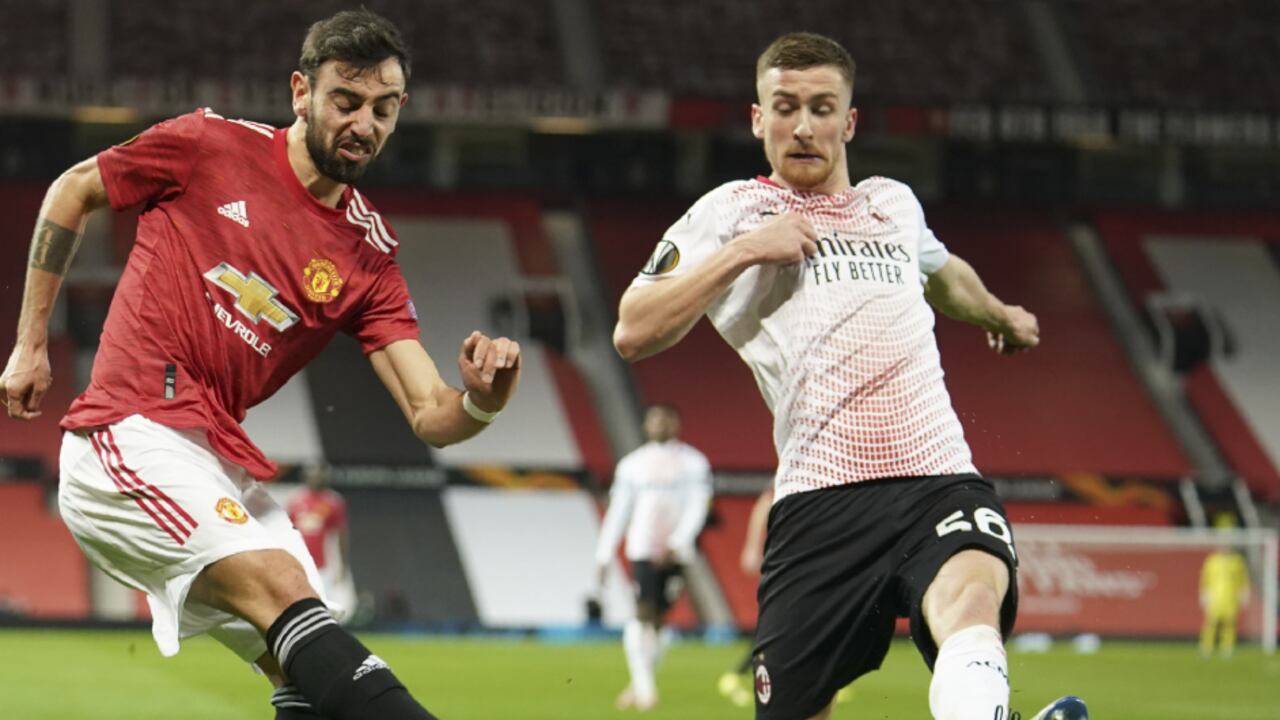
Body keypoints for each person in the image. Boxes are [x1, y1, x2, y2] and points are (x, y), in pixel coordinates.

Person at [0, 9, 521, 720]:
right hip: (124, 435)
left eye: (382, 108)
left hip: (217, 462)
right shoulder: (208, 144)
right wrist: (31, 343)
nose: (363, 123)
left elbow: (432, 414)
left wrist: (483, 400)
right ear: (301, 93)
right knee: (283, 587)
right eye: (346, 100)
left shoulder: (369, 256)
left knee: (306, 662)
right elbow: (73, 189)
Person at [612, 31, 1086, 720]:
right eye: (785, 106)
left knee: (971, 595)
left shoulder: (893, 203)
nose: (803, 126)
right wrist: (746, 251)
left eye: (822, 107)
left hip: (935, 475)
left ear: (849, 121)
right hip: (819, 505)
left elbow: (943, 274)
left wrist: (1001, 314)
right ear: (757, 118)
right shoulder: (729, 212)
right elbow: (632, 328)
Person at [594, 404, 713, 711]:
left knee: (659, 620)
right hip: (644, 548)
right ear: (646, 425)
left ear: (676, 424)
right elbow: (619, 510)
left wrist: (677, 542)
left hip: (677, 552)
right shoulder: (632, 465)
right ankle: (646, 691)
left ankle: (638, 684)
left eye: (665, 419)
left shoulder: (694, 462)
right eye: (654, 419)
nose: (659, 424)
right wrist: (604, 552)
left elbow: (698, 506)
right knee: (642, 612)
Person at [287, 464, 357, 620]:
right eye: (312, 473)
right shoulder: (296, 500)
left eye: (319, 473)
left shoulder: (333, 501)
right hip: (298, 563)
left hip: (322, 567)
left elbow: (341, 534)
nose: (315, 477)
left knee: (323, 607)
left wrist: (343, 566)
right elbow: (287, 532)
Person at [1199, 514, 1251, 659]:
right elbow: (1205, 579)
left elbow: (1243, 579)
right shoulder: (1212, 560)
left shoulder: (1237, 561)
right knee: (1211, 623)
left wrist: (1244, 593)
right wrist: (1204, 594)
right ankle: (1206, 646)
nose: (1225, 547)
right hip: (1215, 596)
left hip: (1231, 597)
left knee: (1230, 624)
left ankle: (1227, 648)